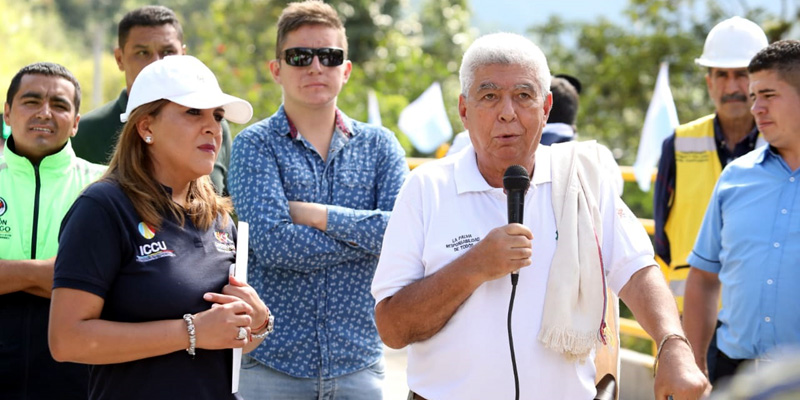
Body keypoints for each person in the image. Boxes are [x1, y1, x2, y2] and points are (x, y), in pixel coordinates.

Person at [371, 32, 708, 399]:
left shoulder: (583, 181)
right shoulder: (426, 189)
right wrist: (473, 267)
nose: (507, 112)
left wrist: (673, 344)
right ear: (464, 110)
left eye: (523, 96)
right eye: (489, 96)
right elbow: (392, 327)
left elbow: (637, 269)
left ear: (546, 108)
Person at [48, 55, 266, 400]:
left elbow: (232, 341)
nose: (212, 127)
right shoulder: (102, 208)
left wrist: (256, 322)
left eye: (217, 116)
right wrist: (190, 331)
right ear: (146, 127)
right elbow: (67, 340)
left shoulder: (220, 218)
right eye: (194, 112)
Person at [229, 1, 408, 398]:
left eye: (329, 56)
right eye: (299, 56)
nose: (315, 67)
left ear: (345, 69)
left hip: (358, 362)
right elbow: (275, 246)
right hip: (271, 366)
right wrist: (366, 236)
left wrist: (318, 216)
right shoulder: (253, 146)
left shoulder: (381, 147)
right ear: (277, 69)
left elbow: (403, 235)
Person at [683, 39, 800, 388]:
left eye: (768, 95)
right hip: (731, 372)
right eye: (753, 97)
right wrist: (694, 364)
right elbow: (703, 278)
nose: (756, 109)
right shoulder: (735, 177)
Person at [0, 62, 105, 399]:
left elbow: (113, 284)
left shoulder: (105, 186)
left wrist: (12, 275)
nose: (44, 113)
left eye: (59, 105)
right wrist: (54, 274)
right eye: (31, 101)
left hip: (77, 373)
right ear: (7, 113)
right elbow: (85, 282)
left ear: (76, 123)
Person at [654, 16, 768, 313]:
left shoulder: (785, 143)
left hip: (759, 317)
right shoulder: (677, 144)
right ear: (709, 83)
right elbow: (662, 239)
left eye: (742, 74)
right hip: (691, 314)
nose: (732, 86)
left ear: (761, 80)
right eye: (722, 75)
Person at [72, 5, 234, 195]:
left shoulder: (216, 129)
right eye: (142, 53)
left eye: (168, 52)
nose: (157, 63)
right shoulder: (85, 132)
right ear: (119, 58)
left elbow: (228, 207)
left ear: (183, 55)